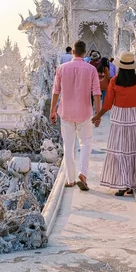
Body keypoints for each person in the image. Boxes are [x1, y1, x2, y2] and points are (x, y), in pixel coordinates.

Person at [92, 51, 136, 196]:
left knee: (119, 150)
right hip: (133, 116)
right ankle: (130, 184)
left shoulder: (114, 81)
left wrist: (97, 116)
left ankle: (122, 185)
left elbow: (108, 103)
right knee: (132, 150)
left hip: (118, 116)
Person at [50, 40, 101, 191]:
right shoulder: (91, 69)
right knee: (86, 143)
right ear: (85, 53)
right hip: (84, 112)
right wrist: (98, 113)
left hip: (65, 112)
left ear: (72, 52)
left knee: (68, 146)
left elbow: (56, 91)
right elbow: (96, 93)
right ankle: (83, 174)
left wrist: (52, 110)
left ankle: (70, 179)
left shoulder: (61, 68)